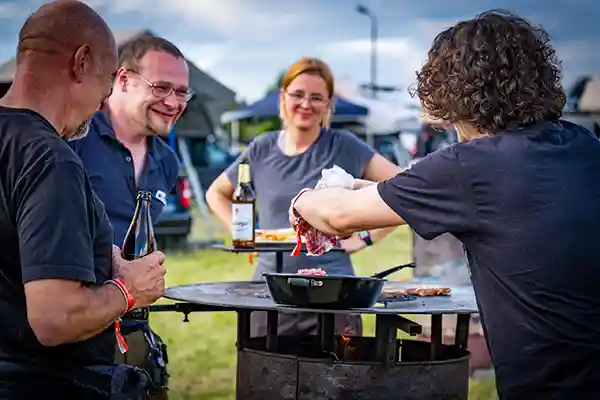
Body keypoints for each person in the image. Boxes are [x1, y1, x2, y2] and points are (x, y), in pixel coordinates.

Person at [290, 10, 600, 400]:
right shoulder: (582, 145)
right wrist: (377, 190)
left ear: (452, 93)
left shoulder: (470, 164)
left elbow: (336, 216)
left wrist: (304, 199)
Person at [0, 0, 167, 398]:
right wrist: (129, 290)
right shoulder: (51, 158)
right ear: (81, 62)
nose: (104, 99)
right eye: (107, 80)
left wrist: (87, 256)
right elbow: (56, 317)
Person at [206, 57, 400, 338]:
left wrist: (369, 237)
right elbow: (216, 192)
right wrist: (243, 233)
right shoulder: (262, 148)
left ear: (328, 104)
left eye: (316, 97)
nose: (306, 104)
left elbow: (404, 189)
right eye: (298, 94)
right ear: (283, 97)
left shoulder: (345, 146)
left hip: (334, 294)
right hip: (269, 291)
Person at [68, 34, 189, 398]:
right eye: (161, 87)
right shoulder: (73, 136)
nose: (173, 102)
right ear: (122, 79)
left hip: (134, 330)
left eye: (182, 92)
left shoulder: (168, 162)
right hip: (68, 334)